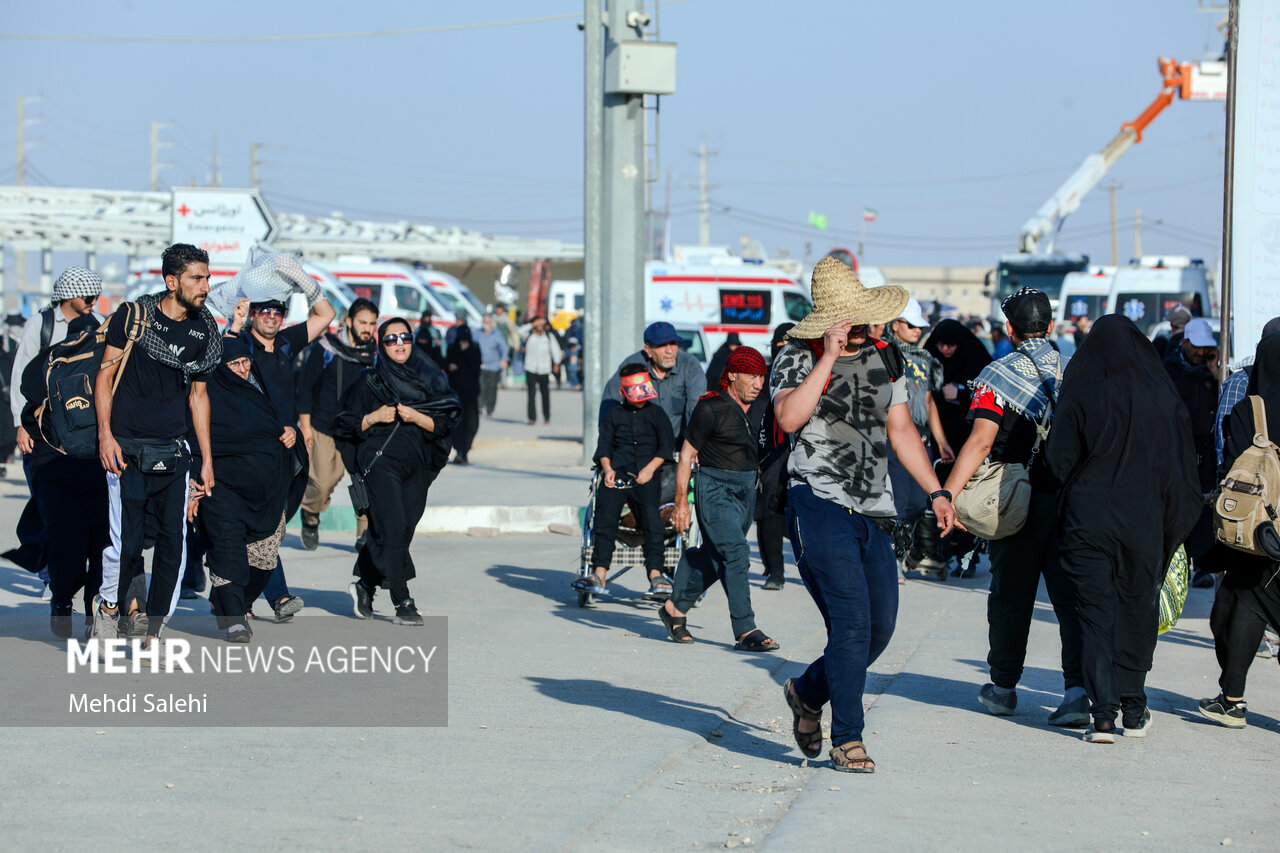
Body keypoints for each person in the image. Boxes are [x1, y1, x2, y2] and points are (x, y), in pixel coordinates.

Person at [771, 257, 957, 773]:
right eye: (849, 321)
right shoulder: (795, 354)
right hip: (817, 503)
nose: (860, 329)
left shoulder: (886, 357)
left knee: (879, 629)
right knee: (851, 623)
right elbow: (788, 417)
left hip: (876, 509)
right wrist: (826, 358)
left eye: (863, 319)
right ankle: (847, 739)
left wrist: (938, 491)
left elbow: (901, 432)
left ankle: (807, 693)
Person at [1046, 314, 1201, 743]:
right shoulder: (1164, 397)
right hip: (1145, 522)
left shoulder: (1082, 386)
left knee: (1095, 615)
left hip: (1088, 519)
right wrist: (1170, 531)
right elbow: (1184, 475)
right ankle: (1134, 708)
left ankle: (1103, 717)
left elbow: (1058, 461)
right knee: (1137, 607)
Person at [941, 288, 1087, 727]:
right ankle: (1077, 693)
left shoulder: (996, 376)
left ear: (1009, 328)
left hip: (1014, 503)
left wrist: (946, 493)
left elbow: (982, 440)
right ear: (1051, 326)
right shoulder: (1073, 372)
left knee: (1010, 597)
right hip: (1067, 503)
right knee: (1070, 600)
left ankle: (1004, 689)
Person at [93, 243, 222, 656]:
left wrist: (206, 460)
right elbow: (104, 377)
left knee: (173, 543)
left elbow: (198, 397)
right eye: (196, 278)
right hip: (125, 449)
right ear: (172, 282)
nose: (206, 285)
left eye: (206, 277)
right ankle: (109, 606)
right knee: (126, 543)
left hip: (174, 451)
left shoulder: (205, 331)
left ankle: (153, 634)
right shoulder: (133, 318)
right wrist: (104, 436)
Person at [334, 318, 460, 625]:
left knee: (399, 531)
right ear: (381, 344)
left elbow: (445, 423)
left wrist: (415, 415)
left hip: (416, 467)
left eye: (404, 337)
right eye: (391, 339)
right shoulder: (370, 381)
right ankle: (402, 600)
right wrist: (374, 416)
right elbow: (341, 423)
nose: (399, 343)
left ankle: (364, 586)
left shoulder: (429, 378)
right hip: (379, 464)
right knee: (392, 526)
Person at [227, 286, 336, 621]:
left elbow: (326, 315)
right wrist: (235, 322)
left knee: (268, 527)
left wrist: (301, 279)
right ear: (254, 314)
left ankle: (235, 598)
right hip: (251, 450)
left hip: (287, 452)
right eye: (265, 311)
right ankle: (272, 596)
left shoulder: (287, 343)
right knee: (265, 527)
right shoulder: (243, 344)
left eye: (278, 311)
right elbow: (222, 358)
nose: (272, 316)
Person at [660, 347, 779, 650]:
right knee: (737, 552)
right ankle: (745, 628)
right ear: (733, 375)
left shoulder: (763, 405)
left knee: (716, 557)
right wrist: (681, 502)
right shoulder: (710, 407)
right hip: (714, 487)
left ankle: (674, 609)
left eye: (762, 377)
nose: (758, 383)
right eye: (752, 376)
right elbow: (686, 455)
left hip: (746, 491)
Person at [191, 338, 294, 642]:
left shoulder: (261, 387)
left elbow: (283, 423)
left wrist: (291, 433)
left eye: (245, 361)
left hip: (265, 492)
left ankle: (233, 602)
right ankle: (235, 619)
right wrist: (193, 483)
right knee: (226, 548)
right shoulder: (209, 393)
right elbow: (193, 437)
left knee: (263, 563)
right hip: (220, 486)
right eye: (233, 364)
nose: (241, 368)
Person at [1201, 332, 1280, 727]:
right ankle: (1230, 697)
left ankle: (1232, 699)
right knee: (1250, 602)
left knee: (1243, 603)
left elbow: (1231, 468)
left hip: (1258, 531)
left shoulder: (1251, 410)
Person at [20, 314, 109, 639]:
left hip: (58, 469)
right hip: (98, 469)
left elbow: (28, 403)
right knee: (100, 548)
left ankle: (61, 605)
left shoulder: (49, 360)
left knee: (66, 548)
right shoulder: (106, 361)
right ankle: (91, 613)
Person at [573, 363, 675, 599]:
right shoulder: (613, 416)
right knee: (604, 517)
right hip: (617, 475)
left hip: (647, 476)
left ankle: (656, 575)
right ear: (623, 392)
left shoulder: (657, 415)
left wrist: (650, 469)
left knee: (652, 518)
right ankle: (599, 573)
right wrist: (607, 469)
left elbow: (666, 447)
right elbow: (604, 447)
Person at [297, 297, 379, 550]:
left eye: (372, 324)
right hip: (324, 427)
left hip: (360, 430)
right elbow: (305, 387)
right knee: (322, 484)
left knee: (365, 483)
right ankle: (310, 515)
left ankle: (363, 535)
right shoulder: (326, 348)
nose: (367, 328)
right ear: (350, 321)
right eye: (363, 322)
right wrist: (306, 426)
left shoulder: (374, 355)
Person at [886, 299, 952, 581]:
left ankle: (900, 549)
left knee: (917, 502)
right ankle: (892, 559)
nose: (916, 331)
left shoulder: (925, 361)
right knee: (898, 501)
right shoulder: (883, 354)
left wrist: (941, 441)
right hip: (894, 436)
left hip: (921, 439)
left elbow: (928, 400)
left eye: (919, 327)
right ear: (895, 325)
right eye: (910, 325)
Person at [10, 267, 104, 460]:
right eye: (88, 298)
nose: (93, 302)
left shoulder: (100, 324)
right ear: (69, 296)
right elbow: (20, 373)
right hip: (46, 421)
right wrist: (22, 424)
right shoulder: (40, 324)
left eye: (96, 296)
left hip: (87, 423)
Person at [1164, 317, 1221, 588]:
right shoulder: (1169, 370)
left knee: (1204, 510)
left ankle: (1202, 566)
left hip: (1205, 453)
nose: (1200, 353)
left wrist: (1215, 372)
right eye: (1196, 347)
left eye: (1205, 348)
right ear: (1185, 342)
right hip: (1178, 450)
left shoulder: (1210, 374)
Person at [602, 321, 707, 447]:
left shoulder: (690, 366)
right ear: (648, 350)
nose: (669, 351)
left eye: (673, 344)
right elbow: (609, 402)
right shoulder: (633, 365)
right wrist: (608, 446)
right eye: (662, 345)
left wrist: (692, 447)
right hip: (640, 446)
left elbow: (696, 410)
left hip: (678, 445)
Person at [756, 323, 795, 591]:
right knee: (769, 510)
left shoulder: (809, 371)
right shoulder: (765, 377)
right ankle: (776, 570)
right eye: (778, 344)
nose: (782, 349)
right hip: (771, 451)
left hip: (804, 450)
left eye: (788, 344)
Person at [445, 325, 482, 464]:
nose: (462, 343)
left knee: (472, 424)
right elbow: (447, 363)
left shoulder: (474, 349)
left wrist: (466, 352)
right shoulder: (452, 348)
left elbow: (476, 369)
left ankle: (465, 450)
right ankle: (460, 450)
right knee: (456, 423)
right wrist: (450, 366)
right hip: (455, 394)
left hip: (471, 394)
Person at [519, 316, 560, 425]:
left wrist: (557, 363)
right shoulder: (529, 335)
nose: (540, 325)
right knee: (531, 394)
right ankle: (532, 417)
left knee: (545, 394)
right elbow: (519, 331)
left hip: (544, 369)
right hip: (530, 368)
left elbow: (555, 350)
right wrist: (532, 324)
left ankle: (547, 417)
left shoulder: (548, 336)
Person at [476, 314, 508, 416]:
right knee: (481, 387)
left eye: (487, 322)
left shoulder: (496, 334)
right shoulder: (477, 333)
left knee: (491, 388)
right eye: (484, 322)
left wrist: (504, 358)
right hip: (480, 365)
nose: (486, 324)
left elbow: (504, 348)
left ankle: (490, 408)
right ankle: (480, 406)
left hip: (493, 366)